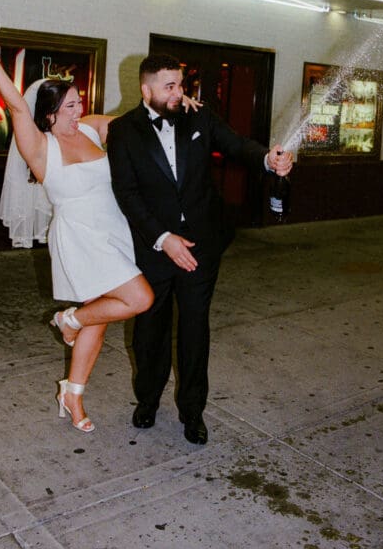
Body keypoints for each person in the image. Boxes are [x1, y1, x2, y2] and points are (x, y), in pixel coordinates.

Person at [0, 38, 200, 434]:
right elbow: (16, 105)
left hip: (114, 231)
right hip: (80, 236)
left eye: (79, 103)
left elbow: (140, 126)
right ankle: (69, 318)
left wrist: (179, 105)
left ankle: (72, 392)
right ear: (49, 115)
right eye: (70, 107)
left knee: (102, 315)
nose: (79, 112)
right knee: (139, 298)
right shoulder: (40, 147)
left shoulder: (94, 129)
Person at [106, 53, 293, 445]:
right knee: (149, 331)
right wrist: (162, 238)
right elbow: (127, 193)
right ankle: (148, 400)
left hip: (201, 247)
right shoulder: (123, 131)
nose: (179, 93)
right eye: (169, 86)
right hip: (154, 249)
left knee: (194, 328)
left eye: (180, 85)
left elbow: (237, 145)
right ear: (146, 89)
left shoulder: (198, 116)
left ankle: (193, 412)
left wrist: (268, 158)